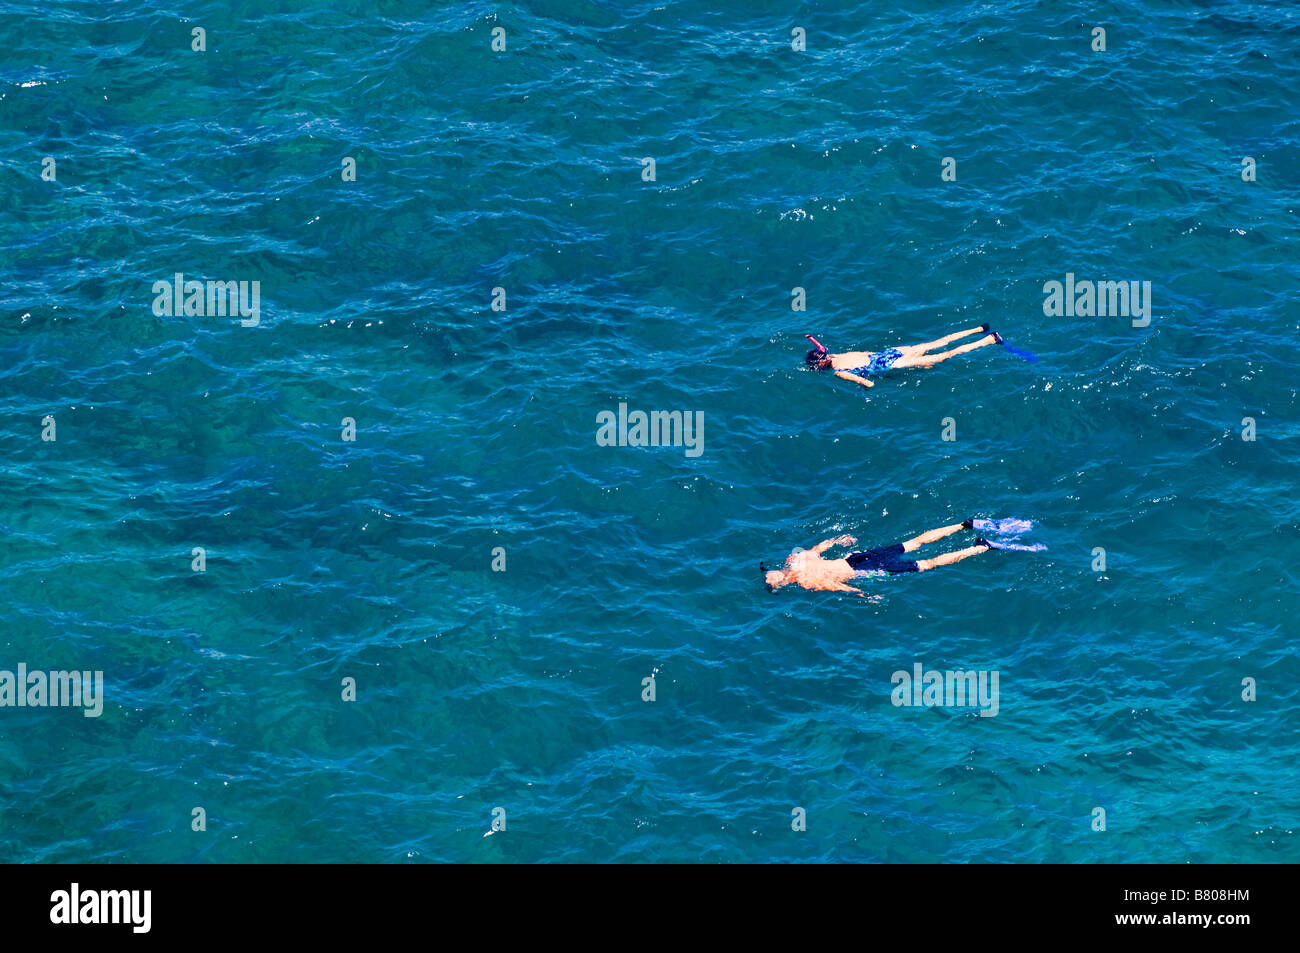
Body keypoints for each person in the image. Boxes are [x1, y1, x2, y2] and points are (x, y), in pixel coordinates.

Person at [762, 521, 993, 595]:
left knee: (927, 564)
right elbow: (819, 547)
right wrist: (838, 541)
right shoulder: (798, 559)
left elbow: (837, 586)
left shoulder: (806, 583)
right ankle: (964, 525)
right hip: (857, 559)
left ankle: (980, 549)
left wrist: (862, 594)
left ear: (784, 582)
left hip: (864, 571)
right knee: (916, 542)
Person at [805, 326, 1003, 388]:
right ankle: (980, 328)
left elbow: (869, 384)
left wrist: (862, 386)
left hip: (889, 362)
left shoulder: (839, 372)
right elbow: (822, 348)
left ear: (821, 365)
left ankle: (988, 340)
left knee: (945, 356)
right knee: (939, 342)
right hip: (890, 352)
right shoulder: (837, 354)